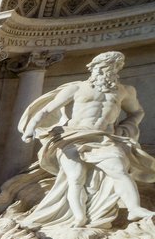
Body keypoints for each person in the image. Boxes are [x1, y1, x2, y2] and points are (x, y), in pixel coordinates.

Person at [18, 50, 155, 229]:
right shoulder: (76, 88)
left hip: (103, 139)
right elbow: (46, 110)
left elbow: (137, 112)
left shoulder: (125, 91)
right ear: (94, 68)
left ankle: (134, 208)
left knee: (119, 169)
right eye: (105, 66)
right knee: (75, 178)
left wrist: (126, 127)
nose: (109, 70)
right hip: (72, 136)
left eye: (115, 67)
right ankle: (79, 217)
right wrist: (30, 129)